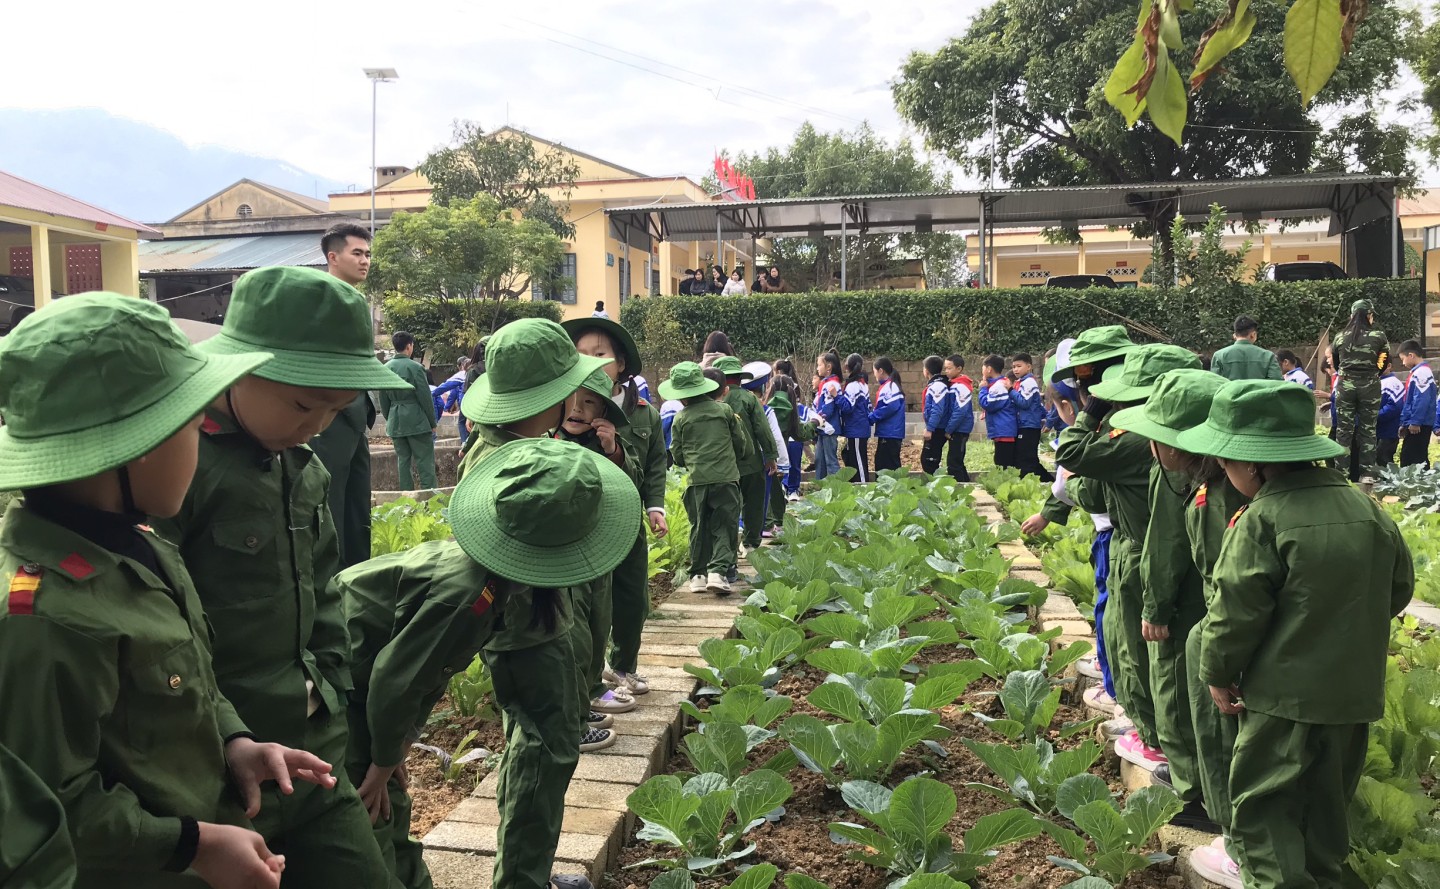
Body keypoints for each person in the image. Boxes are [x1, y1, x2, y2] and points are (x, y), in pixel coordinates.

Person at [0, 293, 343, 888]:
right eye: (190, 425)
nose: (201, 445)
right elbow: (45, 809)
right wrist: (193, 844)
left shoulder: (139, 546)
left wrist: (236, 741)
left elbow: (190, 684)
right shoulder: (47, 613)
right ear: (135, 445)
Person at [154, 266, 417, 887]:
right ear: (239, 370)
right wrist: (225, 734)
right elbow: (157, 626)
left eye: (338, 408)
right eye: (304, 404)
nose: (319, 425)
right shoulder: (178, 468)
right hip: (220, 762)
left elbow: (327, 597)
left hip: (313, 747)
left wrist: (338, 700)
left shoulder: (301, 467)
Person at [335, 437, 638, 889]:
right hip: (339, 684)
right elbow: (394, 680)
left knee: (389, 809)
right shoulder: (470, 597)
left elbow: (422, 674)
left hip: (366, 686)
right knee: (371, 812)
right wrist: (381, 761)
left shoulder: (494, 587)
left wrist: (400, 742)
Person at [1176, 380, 1414, 889]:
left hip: (1282, 699)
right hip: (1352, 695)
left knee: (1265, 809)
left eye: (1227, 461)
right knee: (1327, 810)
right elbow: (1396, 593)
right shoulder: (1367, 510)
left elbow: (1235, 612)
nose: (1222, 469)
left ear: (1254, 465)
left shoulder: (1264, 518)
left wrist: (1216, 671)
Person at [446, 320, 614, 889]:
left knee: (547, 747)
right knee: (542, 753)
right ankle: (521, 880)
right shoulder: (500, 462)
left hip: (542, 623)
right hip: (525, 632)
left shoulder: (518, 443)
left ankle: (529, 872)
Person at [1111, 369, 1228, 834]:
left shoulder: (1185, 483)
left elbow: (1167, 545)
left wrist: (1155, 608)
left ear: (1175, 446)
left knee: (1181, 695)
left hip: (1192, 609)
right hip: (1218, 610)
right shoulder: (1222, 477)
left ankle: (1197, 794)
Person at [1081, 344, 1202, 774]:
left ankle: (1176, 761)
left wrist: (1156, 603)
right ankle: (1160, 740)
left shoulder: (1169, 467)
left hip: (1150, 564)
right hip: (1139, 556)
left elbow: (1167, 540)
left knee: (1159, 664)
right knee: (1130, 647)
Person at [561, 316, 669, 703]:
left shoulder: (644, 413)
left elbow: (655, 466)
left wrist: (655, 507)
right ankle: (592, 675)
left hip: (626, 521)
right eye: (580, 355)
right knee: (591, 601)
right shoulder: (567, 410)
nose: (589, 362)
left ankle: (624, 664)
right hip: (585, 526)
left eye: (599, 354)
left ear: (620, 363)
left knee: (632, 597)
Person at [310, 222, 380, 568]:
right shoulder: (320, 298)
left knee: (357, 507)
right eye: (357, 253)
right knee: (331, 504)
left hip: (356, 416)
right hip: (328, 416)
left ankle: (358, 577)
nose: (365, 260)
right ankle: (331, 581)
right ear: (332, 256)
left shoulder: (355, 299)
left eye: (368, 254)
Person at [663, 364, 752, 595]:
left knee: (699, 527)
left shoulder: (680, 419)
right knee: (725, 524)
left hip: (696, 482)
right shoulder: (724, 411)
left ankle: (698, 576)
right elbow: (740, 445)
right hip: (726, 478)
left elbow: (678, 455)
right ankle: (718, 571)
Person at [713, 356, 777, 554]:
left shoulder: (712, 401)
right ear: (740, 378)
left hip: (723, 464)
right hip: (751, 462)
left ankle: (727, 547)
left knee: (727, 505)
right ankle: (750, 543)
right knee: (754, 503)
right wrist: (771, 455)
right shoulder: (749, 398)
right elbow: (762, 429)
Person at [1331, 299, 1390, 483]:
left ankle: (1341, 474)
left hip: (1345, 386)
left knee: (1344, 431)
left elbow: (1336, 362)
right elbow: (1384, 359)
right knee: (1368, 431)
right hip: (1370, 386)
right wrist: (1373, 373)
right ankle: (1367, 475)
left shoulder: (1340, 336)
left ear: (1351, 315)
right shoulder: (1379, 336)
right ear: (1369, 315)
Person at [380, 331, 438, 490]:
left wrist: (390, 417)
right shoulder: (416, 368)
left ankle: (407, 500)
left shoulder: (385, 368)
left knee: (403, 461)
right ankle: (430, 497)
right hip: (417, 420)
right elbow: (425, 398)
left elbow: (383, 400)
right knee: (425, 461)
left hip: (395, 420)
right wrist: (432, 422)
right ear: (409, 346)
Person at [763, 373, 809, 527]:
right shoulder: (791, 412)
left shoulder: (765, 408)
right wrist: (815, 423)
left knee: (764, 491)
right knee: (776, 490)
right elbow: (801, 433)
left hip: (762, 455)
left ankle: (766, 523)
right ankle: (778, 521)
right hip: (780, 457)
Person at [1011, 352, 1052, 481]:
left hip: (1029, 426)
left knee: (1027, 459)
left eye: (1019, 366)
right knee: (1028, 458)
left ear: (1029, 367)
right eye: (1014, 367)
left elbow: (1024, 402)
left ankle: (1047, 481)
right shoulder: (1021, 382)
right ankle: (1049, 481)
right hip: (1024, 424)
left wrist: (1010, 391)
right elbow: (1038, 405)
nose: (1015, 369)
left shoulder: (1028, 382)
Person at [1398, 340, 1436, 469]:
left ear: (1411, 355)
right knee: (1413, 457)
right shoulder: (1418, 372)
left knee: (1413, 460)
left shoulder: (1422, 373)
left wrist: (1415, 422)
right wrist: (1405, 423)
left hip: (1420, 424)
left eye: (1403, 359)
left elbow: (1422, 400)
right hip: (1416, 422)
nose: (1403, 363)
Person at [1210, 316, 1283, 381]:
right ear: (1253, 334)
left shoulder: (1219, 356)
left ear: (1234, 335)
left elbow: (1214, 384)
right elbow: (1276, 384)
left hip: (1229, 396)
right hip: (1259, 396)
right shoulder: (1268, 356)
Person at [979, 355, 1018, 470]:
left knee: (1003, 463)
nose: (982, 370)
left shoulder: (999, 386)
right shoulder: (997, 384)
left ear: (989, 369)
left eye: (983, 367)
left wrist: (983, 389)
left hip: (1004, 431)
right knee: (1002, 462)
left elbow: (988, 404)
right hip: (1002, 429)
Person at [869, 357, 906, 473]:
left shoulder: (890, 387)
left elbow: (891, 407)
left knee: (886, 465)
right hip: (889, 432)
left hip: (890, 433)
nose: (873, 374)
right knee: (884, 462)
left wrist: (872, 417)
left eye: (874, 370)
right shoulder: (889, 386)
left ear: (880, 371)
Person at [839, 353, 872, 483]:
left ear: (847, 366)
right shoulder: (862, 383)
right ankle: (856, 483)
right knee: (853, 457)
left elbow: (848, 407)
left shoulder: (854, 385)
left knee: (858, 459)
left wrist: (836, 396)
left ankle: (863, 486)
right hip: (857, 428)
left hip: (857, 429)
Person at [943, 355, 975, 481]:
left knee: (954, 462)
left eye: (949, 368)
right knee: (957, 461)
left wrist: (949, 429)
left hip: (960, 429)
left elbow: (960, 411)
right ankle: (967, 486)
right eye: (945, 368)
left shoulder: (961, 387)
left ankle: (961, 489)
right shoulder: (954, 384)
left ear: (959, 369)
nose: (946, 371)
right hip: (957, 428)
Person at [813, 352, 844, 480]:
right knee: (819, 459)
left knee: (830, 460)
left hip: (829, 428)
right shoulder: (825, 383)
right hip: (823, 428)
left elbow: (829, 409)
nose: (817, 368)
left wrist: (818, 418)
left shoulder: (831, 384)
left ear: (828, 367)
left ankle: (837, 489)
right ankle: (821, 487)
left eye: (819, 365)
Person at [920, 356, 951, 476]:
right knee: (928, 460)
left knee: (929, 461)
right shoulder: (936, 384)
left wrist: (930, 428)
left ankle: (935, 488)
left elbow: (937, 410)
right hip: (935, 427)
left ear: (926, 370)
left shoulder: (938, 386)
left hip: (938, 428)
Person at [1378, 357, 1404, 469]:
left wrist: (1374, 416)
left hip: (1389, 430)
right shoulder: (1377, 381)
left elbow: (1394, 407)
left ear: (1388, 366)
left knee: (1384, 457)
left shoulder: (1393, 383)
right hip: (1377, 429)